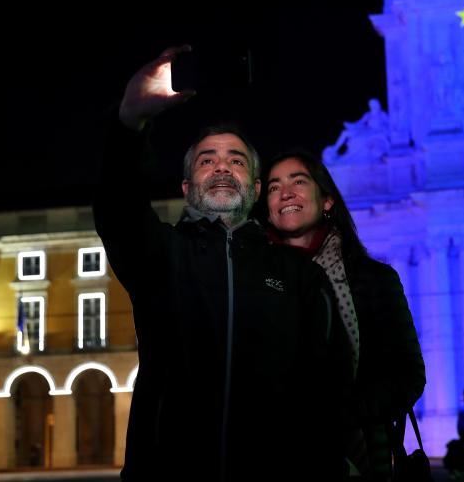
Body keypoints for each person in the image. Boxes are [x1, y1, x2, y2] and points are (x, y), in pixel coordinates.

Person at [93, 46, 351, 480]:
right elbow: (118, 207)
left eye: (235, 160)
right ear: (186, 185)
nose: (221, 167)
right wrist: (128, 122)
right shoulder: (159, 254)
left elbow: (329, 389)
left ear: (253, 187)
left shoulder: (300, 276)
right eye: (207, 160)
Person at [262, 148, 426, 480]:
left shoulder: (375, 279)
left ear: (327, 201)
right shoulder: (252, 279)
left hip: (359, 455)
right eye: (274, 186)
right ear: (268, 208)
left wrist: (344, 413)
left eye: (299, 181)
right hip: (269, 456)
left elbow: (409, 375)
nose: (286, 192)